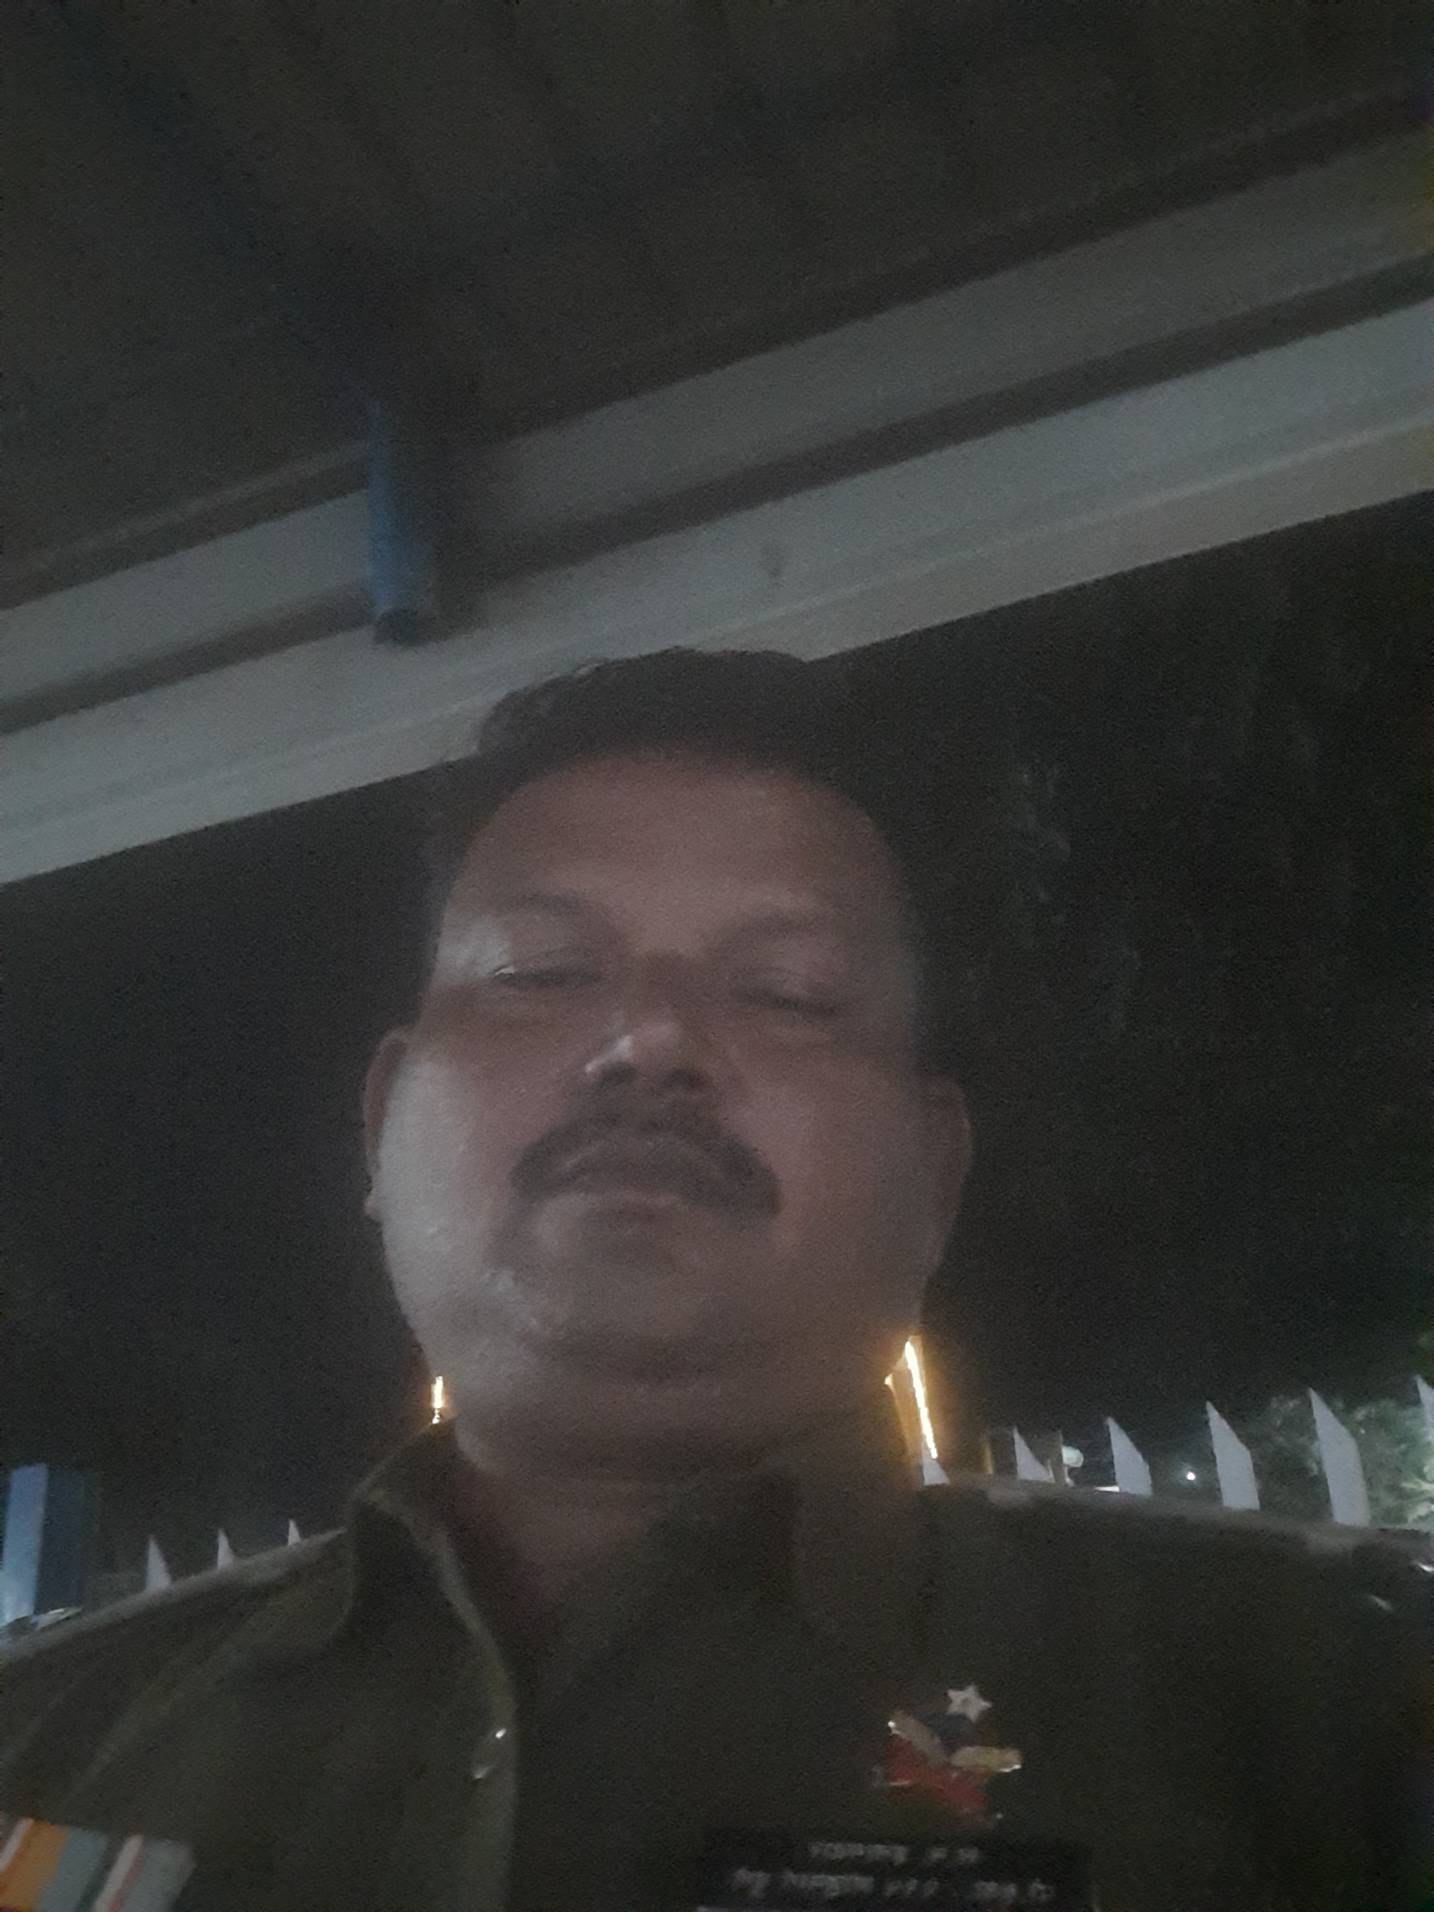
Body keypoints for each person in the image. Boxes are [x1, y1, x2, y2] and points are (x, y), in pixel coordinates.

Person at [0, 649, 1427, 1912]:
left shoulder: (1340, 1720)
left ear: (933, 1176)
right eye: (541, 972)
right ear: (380, 1124)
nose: (650, 1040)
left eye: (786, 992)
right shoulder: (40, 1746)